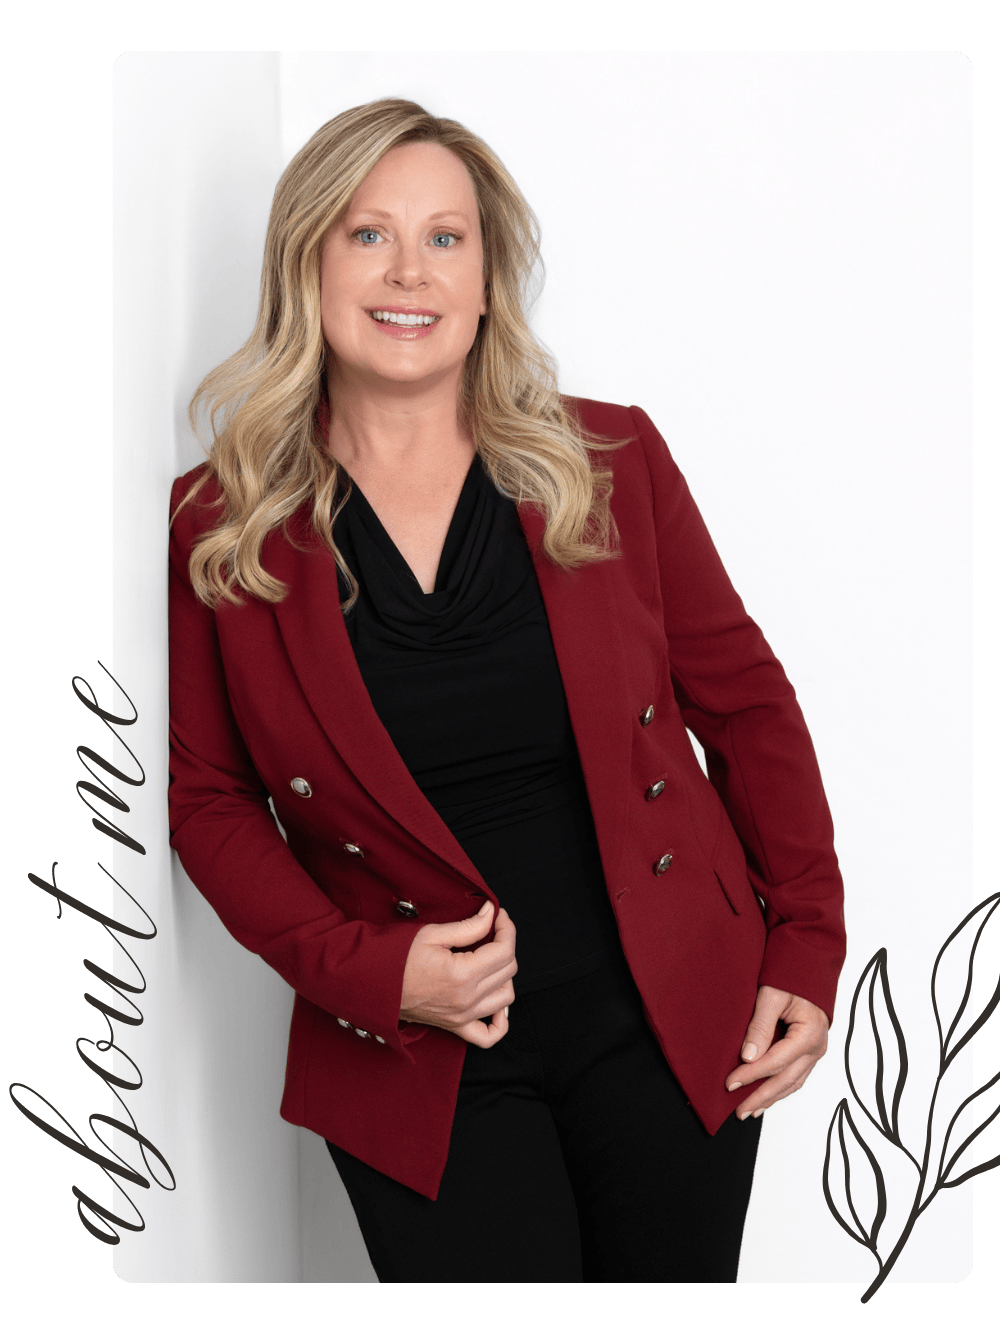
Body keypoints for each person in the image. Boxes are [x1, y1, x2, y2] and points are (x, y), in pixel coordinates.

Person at [168, 97, 846, 1283]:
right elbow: (207, 798)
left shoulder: (611, 460)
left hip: (668, 1022)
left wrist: (805, 941)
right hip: (414, 1051)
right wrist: (372, 973)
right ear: (306, 265)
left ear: (487, 279)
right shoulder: (219, 525)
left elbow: (742, 703)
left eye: (446, 238)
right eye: (367, 234)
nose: (409, 272)